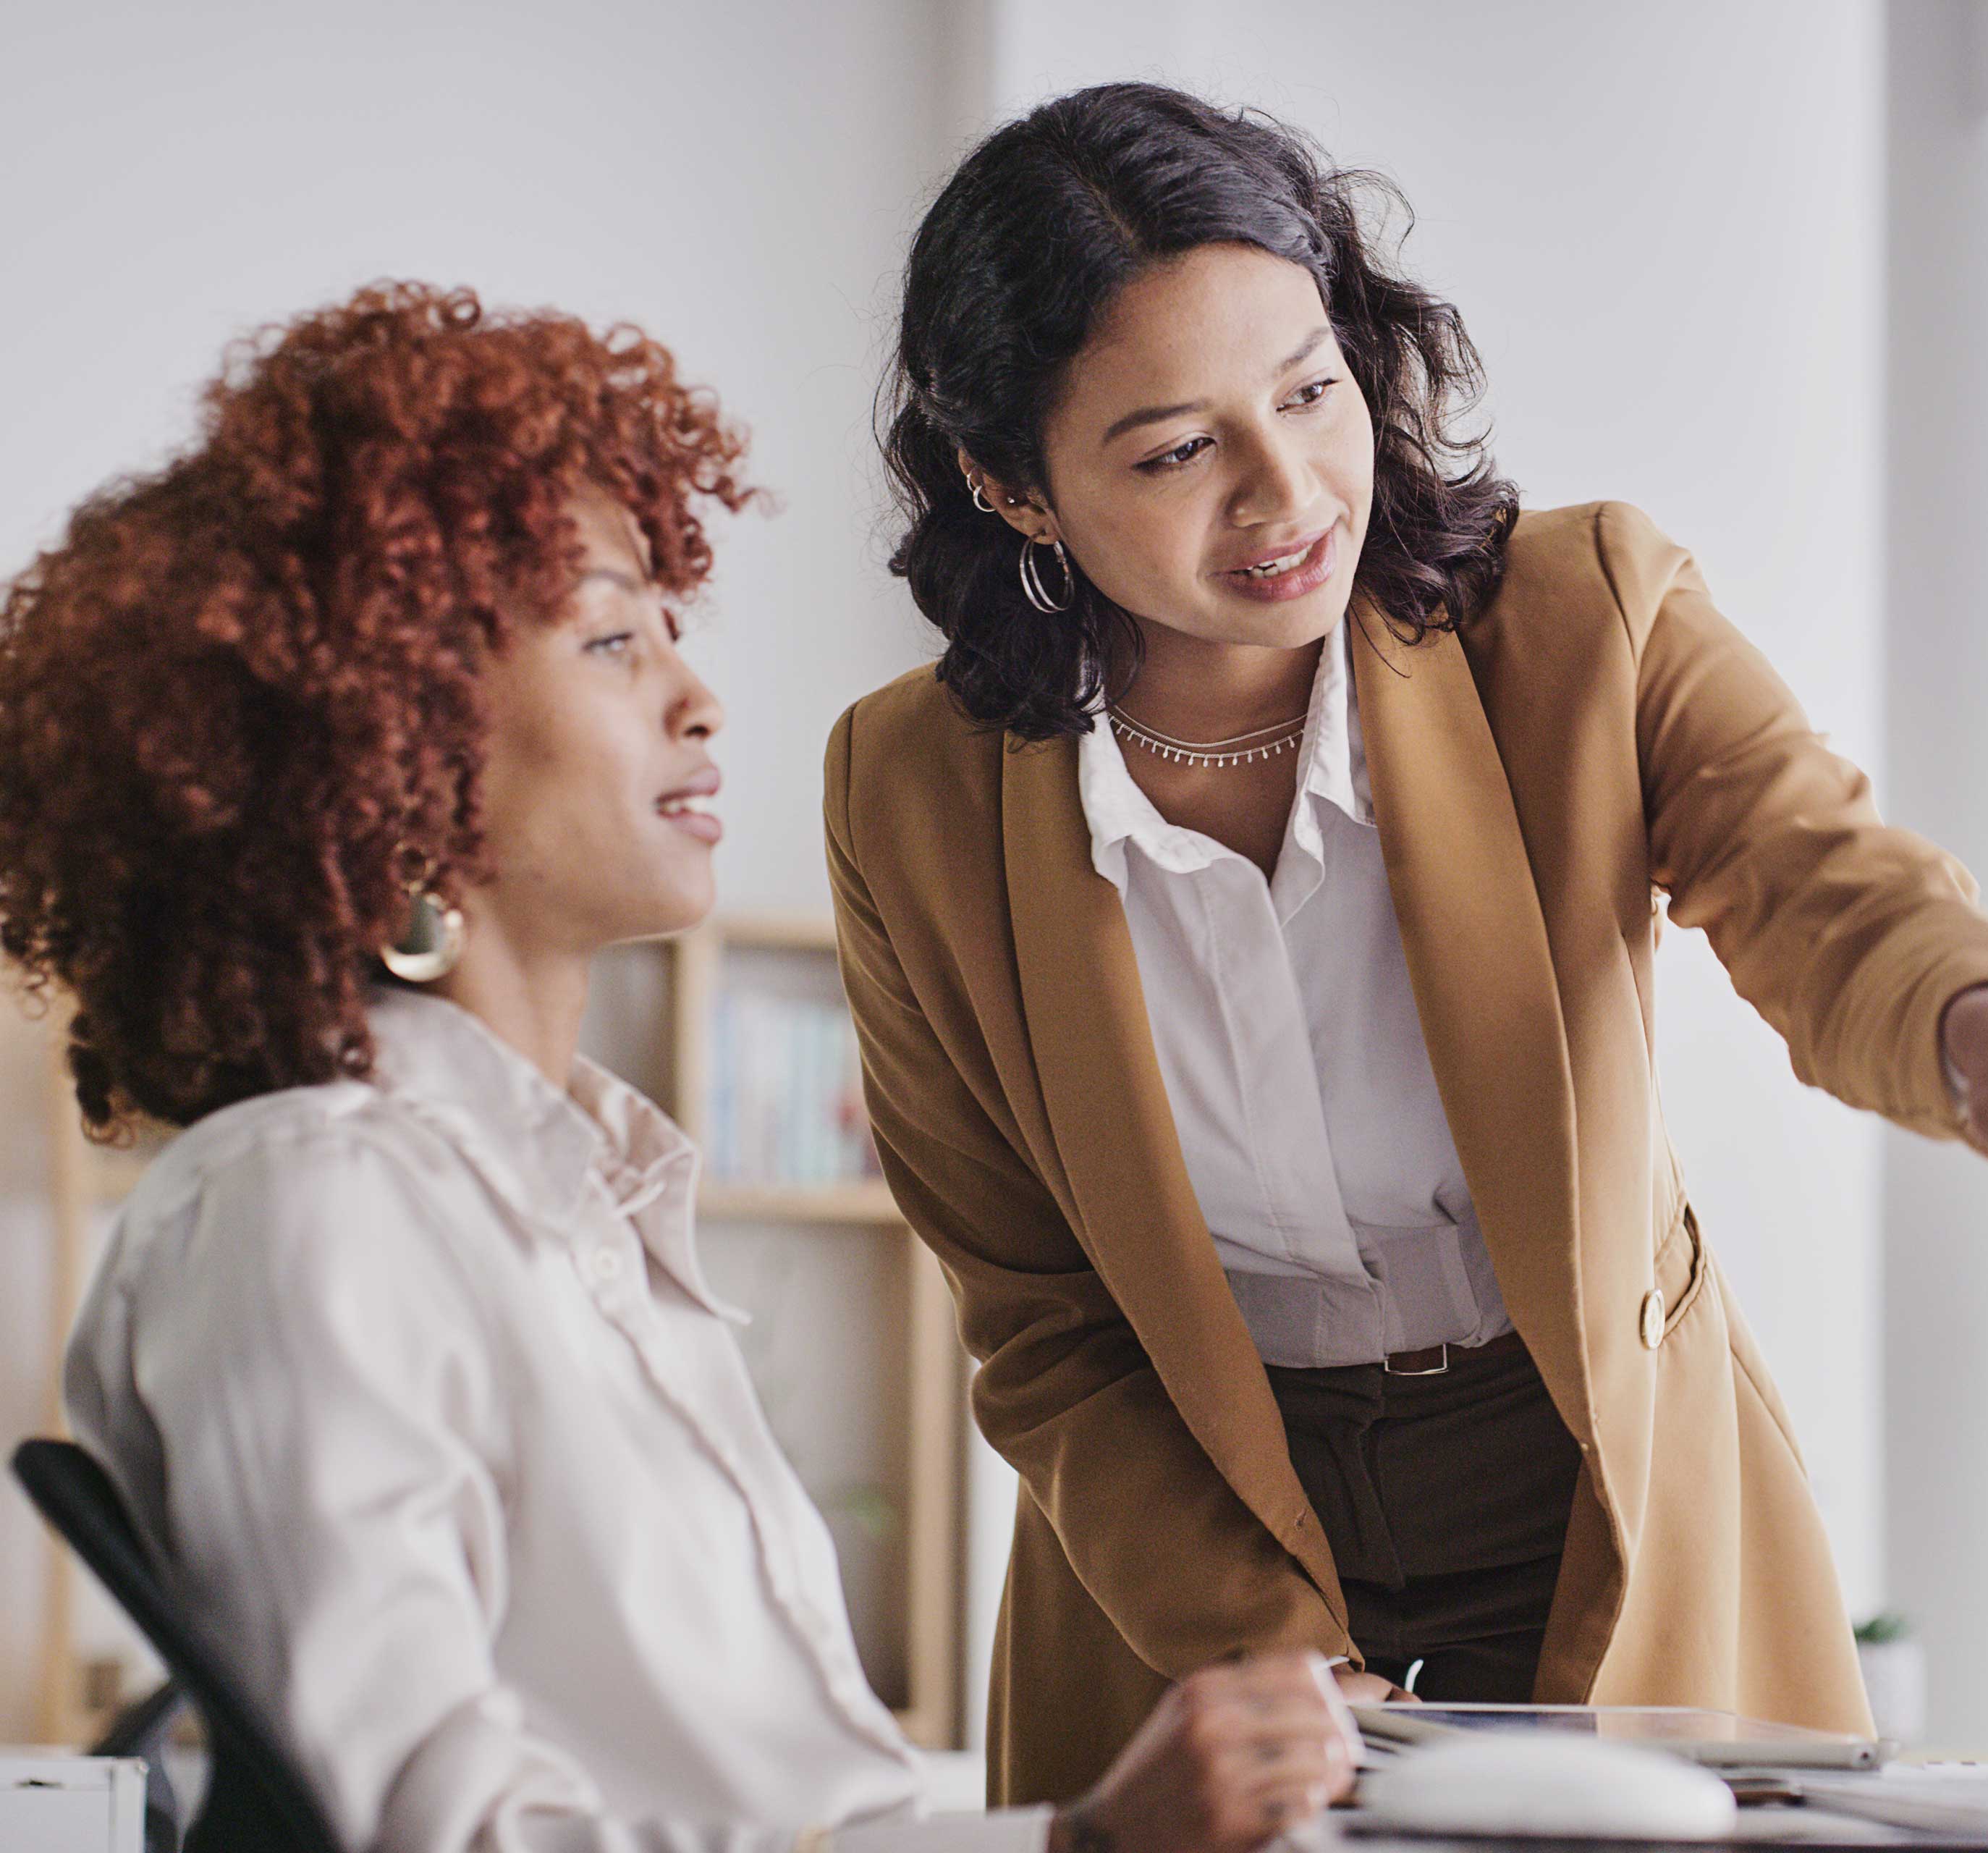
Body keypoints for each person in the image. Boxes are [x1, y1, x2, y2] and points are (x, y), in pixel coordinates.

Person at [832, 82, 1988, 1803]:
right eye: (1178, 449)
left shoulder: (1584, 616)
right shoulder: (910, 793)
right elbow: (1042, 1316)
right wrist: (1248, 1640)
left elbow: (1818, 879)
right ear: (1013, 485)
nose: (1287, 492)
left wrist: (1981, 1013)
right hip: (1188, 1530)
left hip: (1594, 1487)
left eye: (1311, 390)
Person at [0, 283, 1353, 1853]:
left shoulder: (563, 1199)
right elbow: (430, 1833)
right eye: (610, 635)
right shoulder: (312, 1203)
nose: (697, 695)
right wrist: (1083, 1844)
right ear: (387, 741)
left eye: (673, 629)